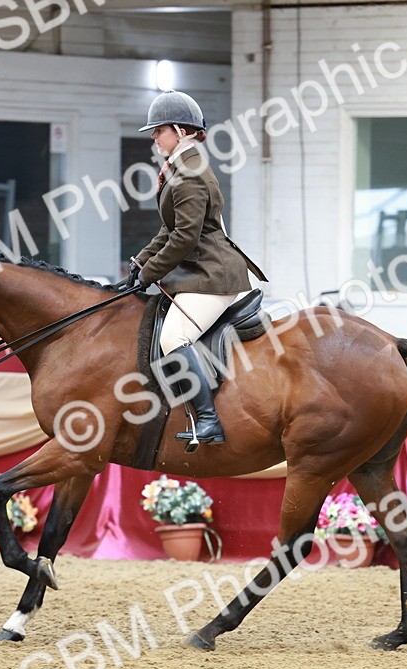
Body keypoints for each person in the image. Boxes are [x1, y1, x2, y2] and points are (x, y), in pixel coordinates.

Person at [132, 90, 268, 448]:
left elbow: (185, 238)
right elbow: (168, 230)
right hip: (200, 272)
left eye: (158, 130)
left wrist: (150, 274)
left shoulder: (189, 173)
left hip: (213, 276)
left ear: (179, 130)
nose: (153, 137)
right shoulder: (180, 167)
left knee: (172, 339)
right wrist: (139, 263)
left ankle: (209, 421)